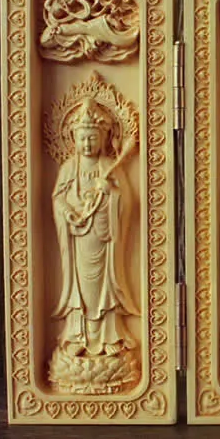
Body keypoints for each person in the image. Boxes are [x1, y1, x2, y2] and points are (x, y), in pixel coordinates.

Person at [51, 97, 138, 357]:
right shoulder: (69, 168)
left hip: (103, 236)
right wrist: (69, 213)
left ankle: (109, 335)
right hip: (78, 237)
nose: (87, 144)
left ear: (103, 139)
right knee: (79, 287)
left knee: (105, 287)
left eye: (92, 138)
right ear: (73, 139)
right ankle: (78, 335)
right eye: (82, 138)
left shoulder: (109, 167)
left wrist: (110, 192)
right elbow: (58, 198)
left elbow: (128, 201)